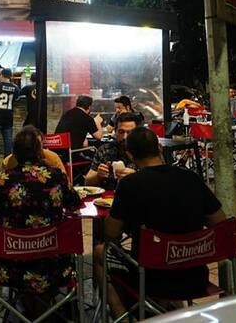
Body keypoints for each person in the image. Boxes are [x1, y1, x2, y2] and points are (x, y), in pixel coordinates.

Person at [94, 127, 226, 317]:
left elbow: (111, 233)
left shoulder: (130, 185)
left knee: (100, 252)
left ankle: (122, 318)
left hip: (151, 279)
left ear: (130, 155)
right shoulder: (191, 178)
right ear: (160, 148)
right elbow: (219, 222)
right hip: (195, 277)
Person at [0, 125, 81, 313]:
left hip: (10, 267)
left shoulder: (1, 180)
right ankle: (45, 310)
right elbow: (74, 204)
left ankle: (28, 310)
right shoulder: (56, 177)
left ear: (14, 153)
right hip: (53, 267)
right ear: (40, 152)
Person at [85, 112, 139, 189]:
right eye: (121, 132)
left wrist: (136, 177)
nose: (125, 137)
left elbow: (157, 183)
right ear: (115, 132)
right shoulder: (105, 150)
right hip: (107, 197)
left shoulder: (145, 151)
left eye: (130, 132)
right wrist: (98, 176)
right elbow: (87, 183)